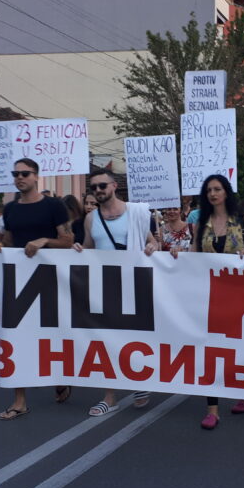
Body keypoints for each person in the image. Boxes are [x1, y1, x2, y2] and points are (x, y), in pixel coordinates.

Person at [0, 158, 75, 419]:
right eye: (15, 173)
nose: (19, 178)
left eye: (25, 173)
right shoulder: (10, 210)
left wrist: (44, 241)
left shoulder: (54, 206)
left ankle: (59, 376)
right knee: (16, 336)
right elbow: (6, 241)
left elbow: (68, 240)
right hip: (18, 279)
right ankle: (19, 400)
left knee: (52, 333)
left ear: (36, 176)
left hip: (49, 278)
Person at [74, 168, 158, 416]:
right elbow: (89, 248)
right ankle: (109, 396)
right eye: (93, 188)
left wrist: (153, 246)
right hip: (104, 286)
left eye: (102, 186)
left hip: (134, 284)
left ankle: (139, 381)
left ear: (113, 186)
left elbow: (152, 241)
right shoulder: (91, 219)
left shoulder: (136, 213)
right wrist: (79, 249)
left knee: (134, 339)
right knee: (105, 341)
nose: (98, 191)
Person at [188, 174, 244, 429]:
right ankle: (213, 409)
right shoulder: (202, 222)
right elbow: (193, 255)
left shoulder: (242, 220)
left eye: (217, 189)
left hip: (239, 295)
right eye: (209, 190)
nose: (213, 194)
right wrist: (176, 255)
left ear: (226, 192)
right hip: (209, 295)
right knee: (210, 349)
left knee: (239, 347)